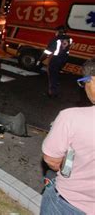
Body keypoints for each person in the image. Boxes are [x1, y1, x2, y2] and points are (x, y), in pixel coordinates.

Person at [40, 58, 95, 215]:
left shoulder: (71, 118)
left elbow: (51, 159)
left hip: (68, 203)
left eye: (83, 82)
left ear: (91, 80)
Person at [37, 26, 73, 97]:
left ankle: (52, 93)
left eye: (56, 31)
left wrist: (40, 60)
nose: (55, 33)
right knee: (56, 74)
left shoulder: (55, 39)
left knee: (52, 75)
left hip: (56, 59)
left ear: (59, 32)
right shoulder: (69, 39)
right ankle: (55, 87)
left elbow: (47, 51)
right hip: (64, 59)